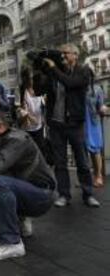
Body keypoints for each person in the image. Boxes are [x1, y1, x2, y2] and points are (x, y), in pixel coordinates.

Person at [0, 108, 55, 261]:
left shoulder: (18, 139)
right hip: (21, 191)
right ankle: (20, 219)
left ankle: (12, 242)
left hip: (42, 195)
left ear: (0, 126)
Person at [43, 43, 100, 207]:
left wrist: (54, 69)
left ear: (75, 55)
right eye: (60, 54)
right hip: (57, 124)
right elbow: (42, 90)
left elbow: (70, 83)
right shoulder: (54, 73)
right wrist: (43, 70)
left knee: (82, 160)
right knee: (60, 162)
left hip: (74, 123)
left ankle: (88, 194)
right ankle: (64, 195)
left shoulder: (83, 71)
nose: (62, 56)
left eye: (65, 53)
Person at [16, 67, 47, 159]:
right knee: (29, 154)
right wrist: (28, 116)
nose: (32, 80)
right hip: (26, 128)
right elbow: (17, 109)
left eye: (33, 77)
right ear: (24, 78)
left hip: (39, 127)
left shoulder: (39, 88)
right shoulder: (20, 90)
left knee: (41, 153)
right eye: (29, 78)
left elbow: (44, 104)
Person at [85, 69, 108, 187]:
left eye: (87, 75)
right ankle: (85, 177)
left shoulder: (98, 89)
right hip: (82, 122)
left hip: (93, 122)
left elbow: (101, 105)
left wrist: (103, 109)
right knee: (83, 151)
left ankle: (98, 175)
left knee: (95, 150)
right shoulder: (79, 89)